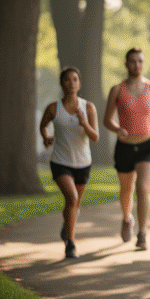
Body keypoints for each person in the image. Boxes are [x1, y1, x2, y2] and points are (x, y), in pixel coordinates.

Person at [103, 47, 150, 250]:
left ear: (143, 64)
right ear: (126, 64)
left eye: (140, 61)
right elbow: (107, 120)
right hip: (124, 147)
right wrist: (117, 128)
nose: (136, 65)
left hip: (147, 146)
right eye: (132, 61)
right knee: (127, 190)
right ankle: (127, 218)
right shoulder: (117, 90)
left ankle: (142, 233)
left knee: (143, 188)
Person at [39, 66, 100, 259]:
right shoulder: (53, 108)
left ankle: (67, 227)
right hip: (60, 161)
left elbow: (95, 137)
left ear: (79, 83)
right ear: (61, 83)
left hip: (83, 163)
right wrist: (46, 137)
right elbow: (43, 125)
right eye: (67, 79)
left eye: (75, 79)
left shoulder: (88, 107)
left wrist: (85, 123)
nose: (71, 83)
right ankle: (71, 244)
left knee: (75, 204)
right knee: (72, 199)